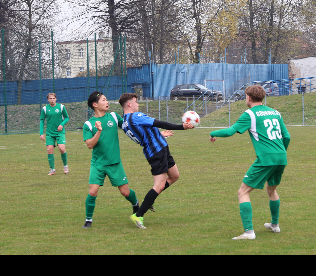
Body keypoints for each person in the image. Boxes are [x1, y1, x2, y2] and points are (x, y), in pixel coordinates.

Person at [207, 83, 289, 241]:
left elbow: (230, 131)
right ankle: (275, 225)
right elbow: (287, 137)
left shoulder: (250, 114)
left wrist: (213, 132)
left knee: (243, 192)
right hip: (281, 157)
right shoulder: (275, 113)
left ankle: (249, 232)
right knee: (271, 190)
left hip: (266, 158)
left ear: (249, 98)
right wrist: (280, 153)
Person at [117, 91, 193, 228]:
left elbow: (144, 135)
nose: (138, 104)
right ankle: (138, 215)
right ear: (129, 104)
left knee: (174, 175)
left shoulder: (125, 123)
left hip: (161, 148)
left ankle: (150, 199)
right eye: (136, 102)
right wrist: (181, 127)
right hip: (156, 152)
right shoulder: (135, 116)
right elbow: (158, 122)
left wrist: (159, 135)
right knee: (159, 185)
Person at [81, 91, 143, 227]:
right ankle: (88, 220)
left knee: (125, 192)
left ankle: (135, 203)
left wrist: (151, 134)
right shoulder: (89, 124)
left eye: (106, 99)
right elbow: (90, 145)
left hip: (114, 163)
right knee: (92, 191)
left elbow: (129, 128)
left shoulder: (114, 117)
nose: (107, 102)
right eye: (103, 100)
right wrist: (99, 131)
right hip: (98, 164)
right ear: (95, 104)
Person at [40, 91, 69, 175]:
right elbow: (42, 121)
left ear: (56, 99)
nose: (52, 100)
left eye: (53, 98)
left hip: (60, 132)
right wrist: (41, 133)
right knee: (49, 150)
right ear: (48, 100)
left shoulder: (61, 107)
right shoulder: (45, 109)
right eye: (50, 98)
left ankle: (65, 166)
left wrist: (61, 124)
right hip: (50, 133)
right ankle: (52, 169)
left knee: (62, 149)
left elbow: (67, 118)